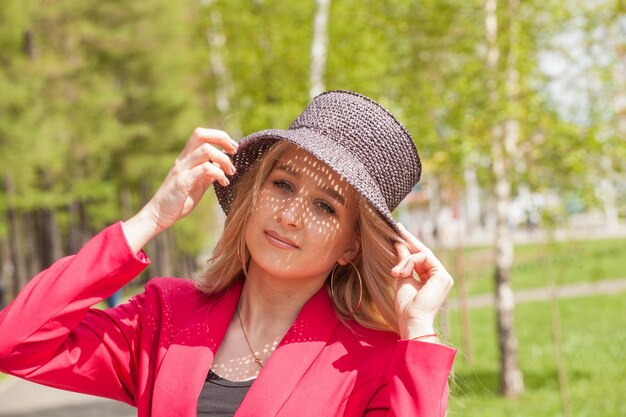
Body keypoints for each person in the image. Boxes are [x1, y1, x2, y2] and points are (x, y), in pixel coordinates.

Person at [0, 90, 455, 417]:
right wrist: (150, 219)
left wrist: (417, 329)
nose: (291, 215)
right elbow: (16, 344)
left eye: (325, 206)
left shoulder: (370, 361)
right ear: (254, 191)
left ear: (351, 246)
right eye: (282, 184)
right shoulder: (166, 315)